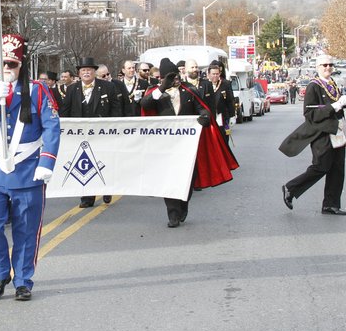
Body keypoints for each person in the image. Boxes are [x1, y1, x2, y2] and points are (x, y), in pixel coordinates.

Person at [0, 34, 59, 302]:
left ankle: (22, 279)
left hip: (28, 169)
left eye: (13, 64)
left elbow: (52, 127)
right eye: (4, 63)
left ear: (22, 65)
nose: (8, 68)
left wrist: (47, 161)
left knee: (26, 229)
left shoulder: (38, 90)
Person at [140, 58, 231, 227]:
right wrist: (162, 87)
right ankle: (173, 214)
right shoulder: (155, 92)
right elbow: (145, 104)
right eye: (170, 77)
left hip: (187, 144)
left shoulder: (188, 90)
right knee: (169, 177)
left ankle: (183, 203)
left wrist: (204, 115)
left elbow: (201, 107)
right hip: (165, 144)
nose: (175, 80)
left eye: (175, 76)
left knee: (188, 176)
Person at [280, 54, 346, 216]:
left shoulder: (332, 83)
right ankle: (291, 188)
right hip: (321, 133)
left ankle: (331, 204)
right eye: (324, 65)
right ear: (318, 67)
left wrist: (343, 104)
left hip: (336, 130)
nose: (328, 68)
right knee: (321, 166)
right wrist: (334, 106)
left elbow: (336, 106)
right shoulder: (314, 85)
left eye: (330, 65)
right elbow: (310, 114)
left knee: (337, 169)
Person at [62, 57, 121, 208]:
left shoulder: (108, 87)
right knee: (84, 165)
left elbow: (116, 109)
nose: (86, 72)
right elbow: (65, 112)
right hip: (80, 135)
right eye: (83, 70)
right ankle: (87, 197)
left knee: (103, 162)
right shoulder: (71, 89)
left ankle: (107, 190)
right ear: (79, 73)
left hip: (103, 133)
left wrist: (113, 128)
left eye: (89, 70)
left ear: (94, 72)